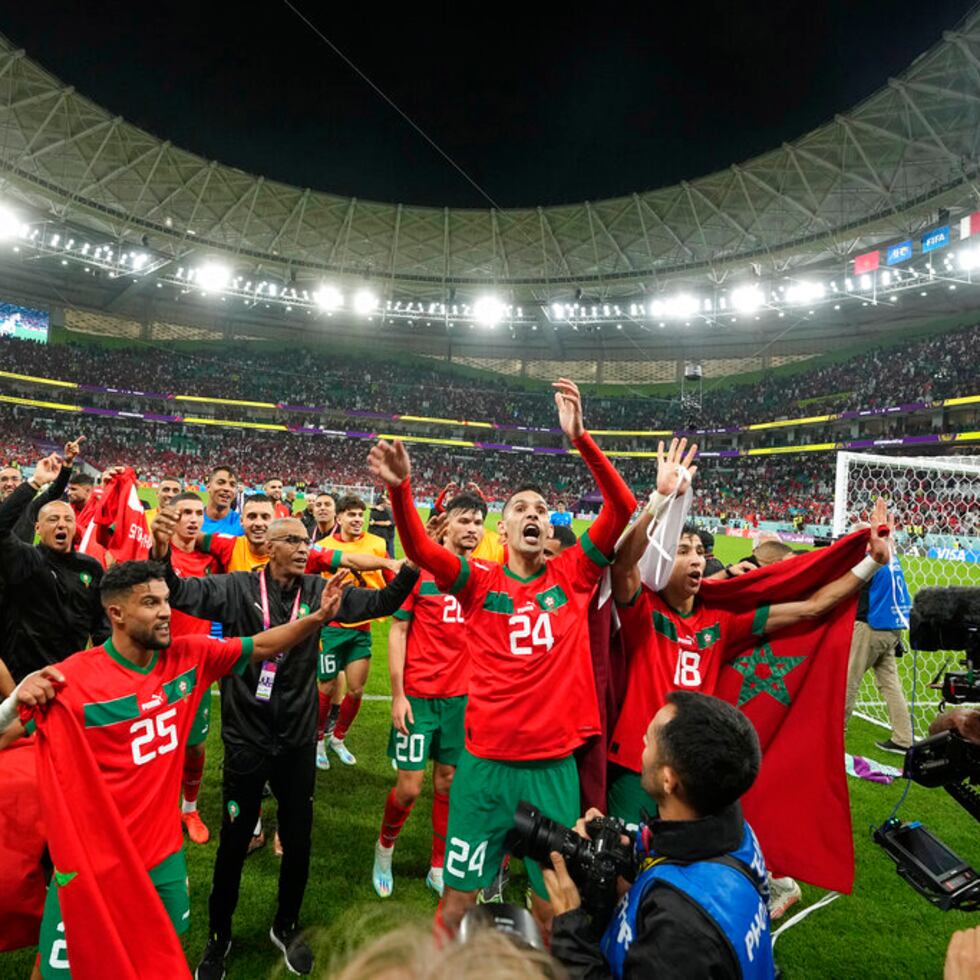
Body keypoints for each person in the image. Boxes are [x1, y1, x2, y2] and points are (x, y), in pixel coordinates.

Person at [369, 378, 636, 936]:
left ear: (547, 528)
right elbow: (419, 549)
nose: (533, 513)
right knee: (457, 905)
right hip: (484, 771)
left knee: (550, 906)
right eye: (521, 508)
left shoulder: (574, 573)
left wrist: (582, 440)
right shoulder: (476, 581)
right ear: (506, 527)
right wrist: (401, 491)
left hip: (552, 772)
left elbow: (623, 506)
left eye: (541, 507)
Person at [4, 559, 350, 979]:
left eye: (166, 600)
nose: (166, 611)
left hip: (162, 856)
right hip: (93, 861)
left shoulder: (190, 657)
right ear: (116, 614)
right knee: (61, 972)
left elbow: (261, 645)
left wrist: (317, 618)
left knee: (157, 960)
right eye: (151, 603)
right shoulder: (72, 680)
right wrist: (13, 701)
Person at [149, 510, 419, 978]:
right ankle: (219, 938)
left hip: (295, 742)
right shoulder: (234, 588)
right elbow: (177, 590)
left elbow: (381, 602)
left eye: (304, 540)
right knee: (233, 845)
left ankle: (286, 926)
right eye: (290, 540)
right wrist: (159, 551)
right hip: (246, 740)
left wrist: (412, 562)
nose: (301, 547)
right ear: (268, 548)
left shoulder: (320, 591)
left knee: (298, 841)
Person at [607, 496, 892, 829]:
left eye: (700, 551)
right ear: (662, 559)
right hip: (637, 759)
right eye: (683, 551)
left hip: (692, 764)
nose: (696, 559)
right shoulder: (644, 611)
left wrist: (871, 562)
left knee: (685, 863)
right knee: (625, 861)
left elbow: (812, 607)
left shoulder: (721, 622)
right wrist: (660, 499)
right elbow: (623, 565)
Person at [547, 692, 775, 980]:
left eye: (650, 739)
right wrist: (632, 850)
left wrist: (570, 929)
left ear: (669, 780)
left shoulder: (680, 929)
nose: (642, 741)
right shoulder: (736, 833)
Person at [372, 491, 487, 900]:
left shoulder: (486, 576)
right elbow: (398, 632)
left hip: (463, 700)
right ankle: (384, 849)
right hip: (419, 696)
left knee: (449, 782)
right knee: (409, 788)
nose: (471, 529)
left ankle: (437, 865)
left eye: (477, 522)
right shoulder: (419, 573)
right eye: (464, 521)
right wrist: (398, 695)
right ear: (447, 523)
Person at [0, 452, 108, 682]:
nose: (61, 524)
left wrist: (106, 671)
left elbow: (101, 626)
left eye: (67, 520)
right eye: (53, 519)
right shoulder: (26, 558)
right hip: (24, 681)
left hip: (70, 681)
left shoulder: (91, 568)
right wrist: (35, 482)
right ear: (37, 528)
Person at [165, 491, 223, 845]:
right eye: (184, 512)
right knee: (160, 743)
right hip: (158, 664)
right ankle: (160, 807)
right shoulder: (157, 556)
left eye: (197, 512)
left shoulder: (210, 558)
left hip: (196, 665)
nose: (191, 518)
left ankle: (189, 807)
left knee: (195, 745)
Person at [315, 494, 390, 767]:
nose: (357, 519)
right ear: (340, 519)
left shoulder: (377, 544)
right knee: (326, 685)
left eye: (360, 515)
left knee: (356, 689)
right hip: (332, 628)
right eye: (351, 515)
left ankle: (338, 737)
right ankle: (318, 740)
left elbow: (390, 578)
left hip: (362, 627)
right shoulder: (323, 547)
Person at [843, 540, 913, 755]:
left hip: (870, 628)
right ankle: (904, 738)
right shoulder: (893, 559)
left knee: (848, 681)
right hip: (891, 628)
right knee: (890, 684)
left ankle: (837, 731)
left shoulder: (871, 561)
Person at [12, 436, 84, 544]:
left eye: (14, 479)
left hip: (23, 561)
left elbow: (54, 492)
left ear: (21, 483)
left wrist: (67, 464)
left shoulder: (29, 508)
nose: (9, 483)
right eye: (3, 479)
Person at [202, 466, 242, 535]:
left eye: (232, 485)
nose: (227, 488)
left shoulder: (242, 524)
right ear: (208, 487)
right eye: (220, 483)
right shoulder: (193, 520)